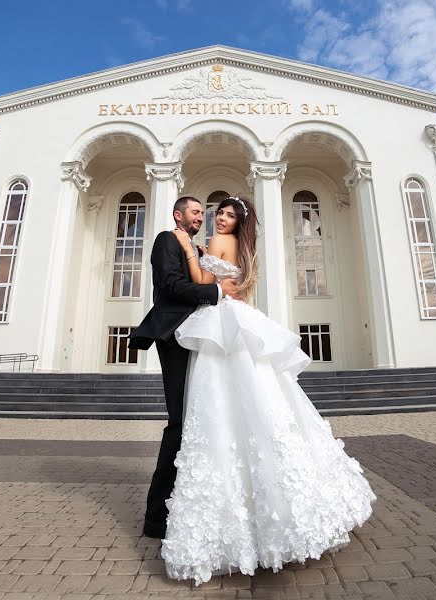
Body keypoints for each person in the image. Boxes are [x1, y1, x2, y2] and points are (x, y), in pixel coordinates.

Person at [160, 196, 376, 585]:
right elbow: (230, 286)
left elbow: (203, 284)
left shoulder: (216, 244)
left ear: (237, 223)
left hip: (221, 320)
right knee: (252, 392)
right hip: (232, 316)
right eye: (219, 214)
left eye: (229, 216)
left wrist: (190, 250)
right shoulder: (239, 247)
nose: (222, 220)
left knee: (224, 397)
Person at [128, 196, 239, 540]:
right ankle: (155, 517)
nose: (200, 217)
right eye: (195, 212)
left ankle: (188, 502)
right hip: (175, 337)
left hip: (197, 336)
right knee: (178, 423)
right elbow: (172, 286)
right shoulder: (166, 240)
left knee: (198, 420)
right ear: (179, 215)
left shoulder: (196, 246)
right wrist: (217, 291)